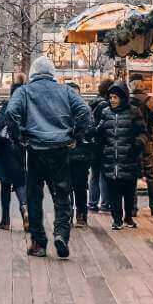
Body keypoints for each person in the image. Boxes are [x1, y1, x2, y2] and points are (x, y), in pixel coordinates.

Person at [0, 55, 92, 259]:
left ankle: (38, 242)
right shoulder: (65, 90)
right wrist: (75, 135)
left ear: (33, 73)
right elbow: (84, 111)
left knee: (34, 197)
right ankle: (61, 233)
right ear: (52, 72)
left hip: (36, 150)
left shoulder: (25, 91)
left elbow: (11, 113)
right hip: (60, 148)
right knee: (63, 194)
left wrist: (19, 136)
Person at [97, 81, 146, 229]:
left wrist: (137, 144)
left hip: (129, 158)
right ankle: (117, 219)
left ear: (123, 98)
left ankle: (129, 217)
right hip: (111, 158)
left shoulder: (134, 111)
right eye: (111, 97)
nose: (112, 100)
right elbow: (100, 131)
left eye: (115, 97)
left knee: (129, 191)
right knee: (114, 192)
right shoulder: (106, 112)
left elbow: (143, 133)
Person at [0, 76, 27, 231]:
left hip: (5, 148)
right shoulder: (26, 107)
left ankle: (5, 220)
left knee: (5, 185)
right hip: (19, 149)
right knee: (19, 182)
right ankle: (25, 208)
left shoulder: (8, 105)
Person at [131, 77, 153, 216]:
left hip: (131, 143)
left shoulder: (126, 101)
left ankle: (132, 209)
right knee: (150, 175)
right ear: (143, 84)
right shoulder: (151, 102)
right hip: (147, 142)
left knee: (132, 175)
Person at [64, 81, 94, 226]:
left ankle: (81, 216)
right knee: (65, 188)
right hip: (65, 155)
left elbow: (91, 130)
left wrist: (80, 137)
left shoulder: (85, 111)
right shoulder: (61, 111)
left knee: (80, 188)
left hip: (81, 155)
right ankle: (67, 215)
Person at [88, 79, 111, 212]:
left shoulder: (93, 102)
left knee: (94, 174)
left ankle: (92, 202)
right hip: (103, 143)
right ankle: (105, 203)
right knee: (104, 174)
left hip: (93, 143)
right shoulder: (105, 105)